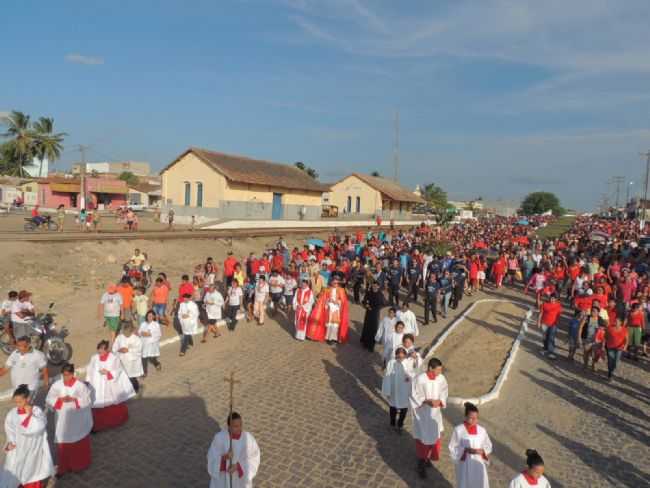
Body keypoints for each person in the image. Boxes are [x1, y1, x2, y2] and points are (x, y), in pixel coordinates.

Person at [0, 385, 54, 488]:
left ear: (28, 399)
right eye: (15, 402)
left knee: (31, 471)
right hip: (18, 447)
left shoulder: (36, 411)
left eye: (20, 402)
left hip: (32, 447)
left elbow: (39, 426)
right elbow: (9, 428)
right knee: (17, 470)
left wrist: (30, 415)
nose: (18, 405)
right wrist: (11, 441)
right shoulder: (12, 413)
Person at [45, 363, 93, 477]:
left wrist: (74, 400)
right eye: (64, 375)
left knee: (78, 441)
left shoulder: (80, 386)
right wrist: (59, 400)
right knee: (63, 442)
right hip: (62, 419)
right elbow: (49, 398)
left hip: (77, 419)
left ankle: (79, 465)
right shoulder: (57, 385)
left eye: (68, 375)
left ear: (72, 374)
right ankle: (63, 467)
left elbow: (87, 400)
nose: (66, 377)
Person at [410, 357, 448, 479]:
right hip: (422, 414)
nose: (440, 372)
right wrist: (426, 401)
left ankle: (428, 458)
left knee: (434, 437)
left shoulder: (441, 378)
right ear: (430, 368)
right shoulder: (420, 379)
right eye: (438, 370)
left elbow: (444, 390)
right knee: (423, 439)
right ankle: (421, 463)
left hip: (435, 414)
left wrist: (440, 401)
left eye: (441, 370)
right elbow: (413, 394)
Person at [86, 340, 136, 432]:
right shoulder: (94, 358)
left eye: (102, 349)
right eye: (99, 349)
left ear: (107, 350)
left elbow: (118, 370)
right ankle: (97, 425)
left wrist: (108, 373)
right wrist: (89, 380)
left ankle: (115, 422)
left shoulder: (113, 358)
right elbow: (90, 369)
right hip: (98, 385)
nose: (100, 351)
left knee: (111, 404)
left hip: (110, 385)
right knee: (97, 404)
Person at [207, 412, 261, 488]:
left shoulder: (248, 439)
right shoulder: (219, 438)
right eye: (235, 426)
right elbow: (212, 457)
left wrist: (238, 466)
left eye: (240, 425)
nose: (239, 428)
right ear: (228, 427)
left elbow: (254, 457)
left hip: (240, 480)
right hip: (223, 480)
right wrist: (224, 458)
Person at [448, 402, 492, 488]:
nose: (474, 420)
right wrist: (465, 450)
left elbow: (488, 445)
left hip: (478, 463)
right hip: (465, 464)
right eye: (471, 418)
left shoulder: (482, 430)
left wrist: (483, 451)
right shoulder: (458, 430)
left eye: (476, 418)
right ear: (465, 416)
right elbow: (452, 447)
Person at [306, 278, 350, 345]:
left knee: (335, 324)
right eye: (333, 283)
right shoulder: (328, 290)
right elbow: (324, 299)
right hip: (329, 308)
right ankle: (328, 337)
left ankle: (333, 338)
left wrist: (337, 301)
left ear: (338, 283)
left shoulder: (341, 290)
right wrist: (328, 301)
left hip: (337, 309)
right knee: (329, 323)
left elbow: (343, 301)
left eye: (336, 283)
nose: (335, 284)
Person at [381, 347, 412, 434]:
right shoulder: (391, 362)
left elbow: (413, 373)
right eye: (398, 356)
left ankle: (400, 424)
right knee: (393, 407)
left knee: (404, 408)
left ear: (405, 356)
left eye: (402, 357)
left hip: (404, 390)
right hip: (394, 389)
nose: (400, 358)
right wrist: (387, 390)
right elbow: (387, 376)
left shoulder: (408, 363)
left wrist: (409, 378)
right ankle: (392, 423)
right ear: (396, 356)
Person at [112, 323, 144, 393]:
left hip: (132, 362)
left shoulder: (136, 339)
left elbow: (139, 349)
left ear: (131, 331)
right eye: (124, 332)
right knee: (124, 376)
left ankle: (136, 388)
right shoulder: (119, 337)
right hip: (122, 361)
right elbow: (114, 348)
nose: (126, 334)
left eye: (128, 332)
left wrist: (128, 350)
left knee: (132, 377)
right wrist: (119, 350)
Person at [360, 282, 386, 351]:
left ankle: (371, 345)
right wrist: (366, 305)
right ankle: (365, 343)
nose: (374, 287)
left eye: (376, 286)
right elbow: (364, 301)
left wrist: (378, 308)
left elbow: (384, 303)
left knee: (373, 328)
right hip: (368, 312)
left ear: (378, 286)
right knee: (367, 326)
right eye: (373, 285)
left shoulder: (380, 294)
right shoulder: (369, 292)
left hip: (375, 313)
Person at [537, 294, 561, 359]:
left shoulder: (558, 305)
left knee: (551, 338)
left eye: (553, 298)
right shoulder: (544, 304)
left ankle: (551, 352)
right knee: (544, 337)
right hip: (544, 323)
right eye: (551, 298)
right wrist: (538, 322)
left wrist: (557, 324)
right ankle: (545, 348)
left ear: (556, 299)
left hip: (553, 324)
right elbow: (541, 313)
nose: (552, 299)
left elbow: (558, 315)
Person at [138, 310, 162, 376]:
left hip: (152, 344)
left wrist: (150, 335)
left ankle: (157, 363)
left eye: (151, 316)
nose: (149, 317)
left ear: (154, 316)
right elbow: (139, 331)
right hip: (144, 344)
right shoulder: (143, 324)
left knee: (151, 358)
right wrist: (141, 333)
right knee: (144, 358)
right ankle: (144, 372)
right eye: (148, 316)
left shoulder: (156, 324)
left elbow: (159, 334)